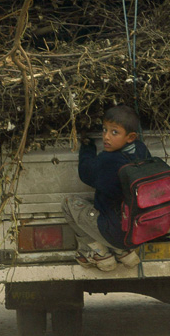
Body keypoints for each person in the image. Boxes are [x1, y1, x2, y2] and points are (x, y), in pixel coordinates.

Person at [61, 105, 149, 271]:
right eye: (104, 130)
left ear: (130, 137)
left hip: (115, 231)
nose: (106, 137)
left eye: (114, 132)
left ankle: (100, 253)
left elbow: (85, 172)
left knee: (69, 204)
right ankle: (123, 252)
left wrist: (87, 146)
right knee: (101, 204)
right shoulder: (141, 150)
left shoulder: (109, 161)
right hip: (135, 229)